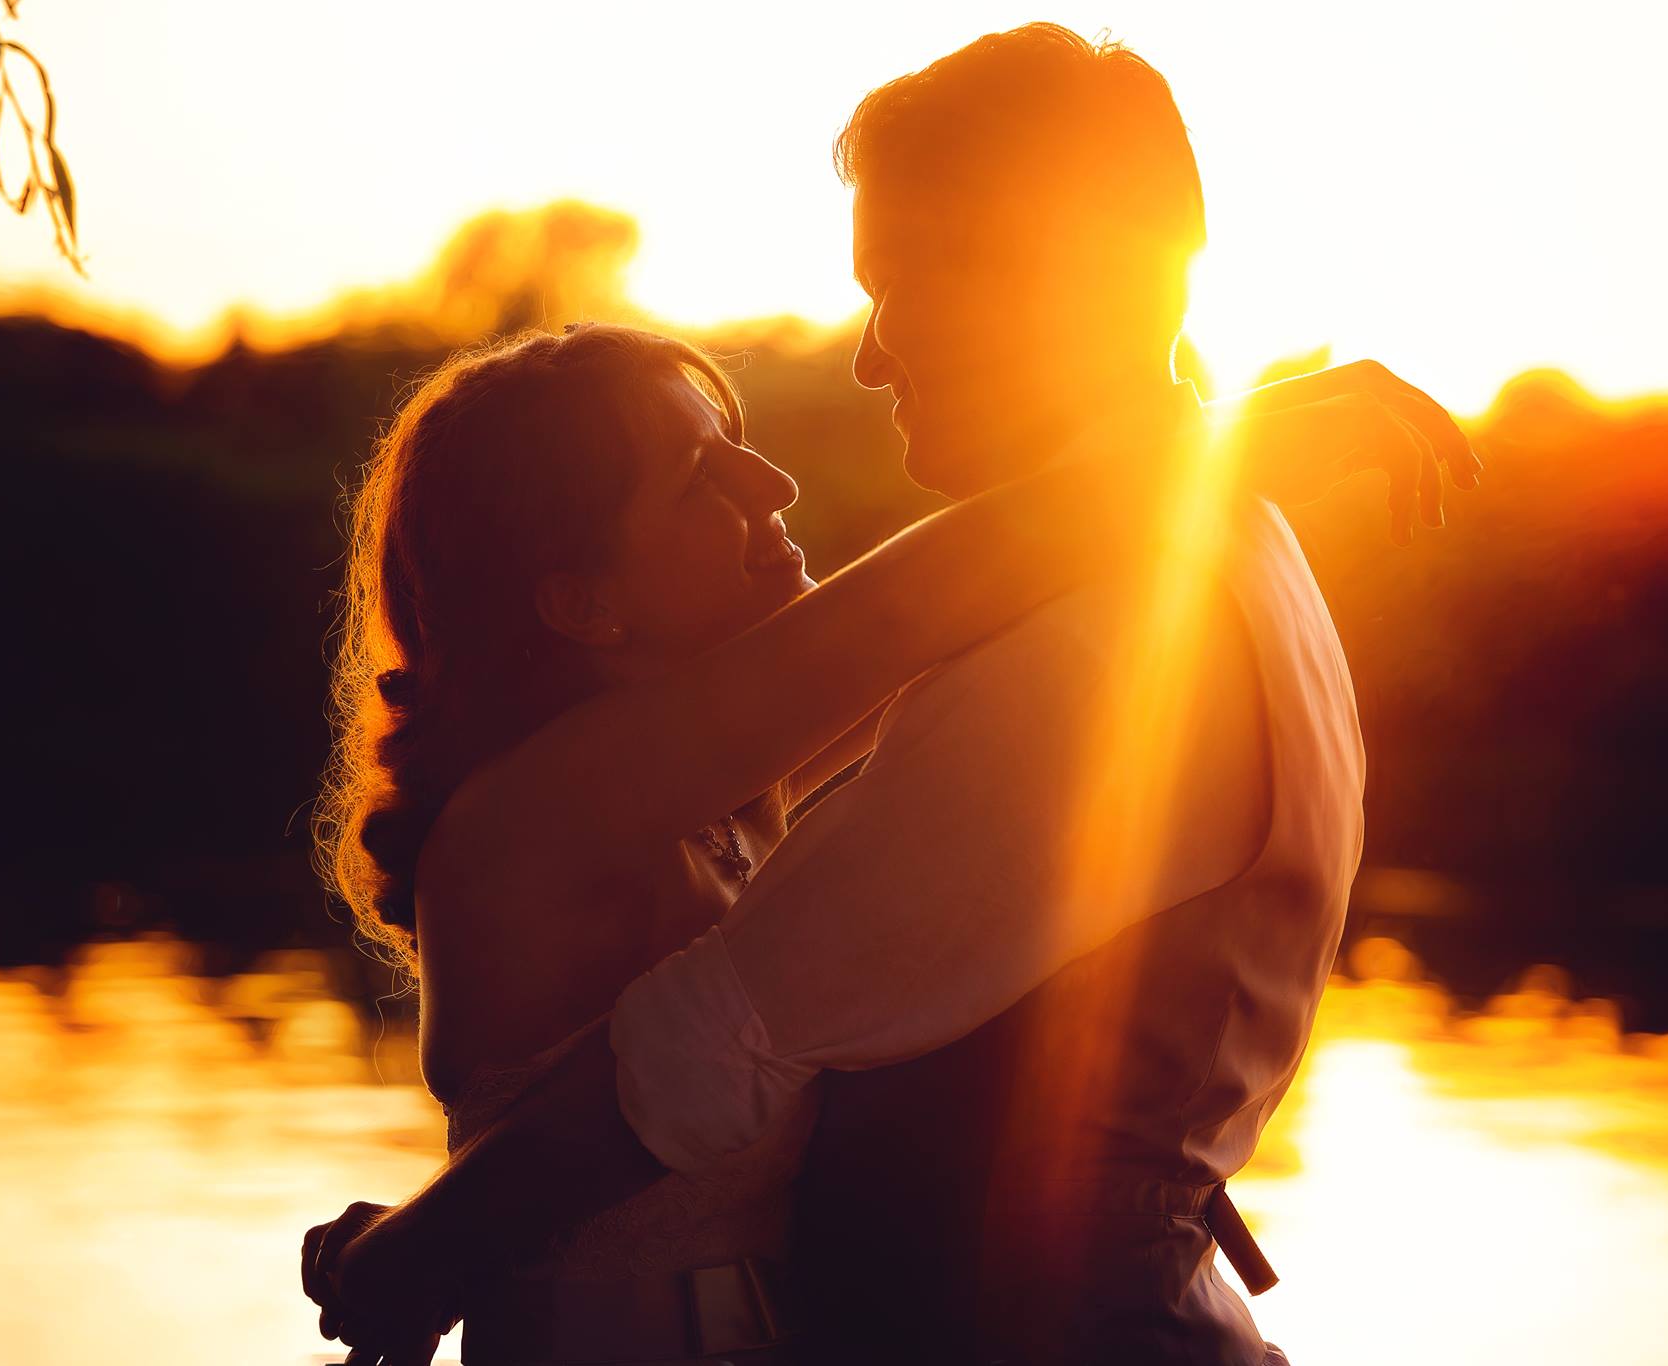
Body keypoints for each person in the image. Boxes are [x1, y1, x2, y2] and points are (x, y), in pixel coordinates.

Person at [305, 26, 1481, 1366]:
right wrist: (1205, 450)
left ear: (1042, 282)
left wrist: (427, 1247)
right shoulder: (1167, 560)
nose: (864, 366)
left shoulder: (1118, 628)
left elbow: (726, 1030)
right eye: (701, 482)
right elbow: (902, 620)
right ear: (577, 595)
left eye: (897, 285)